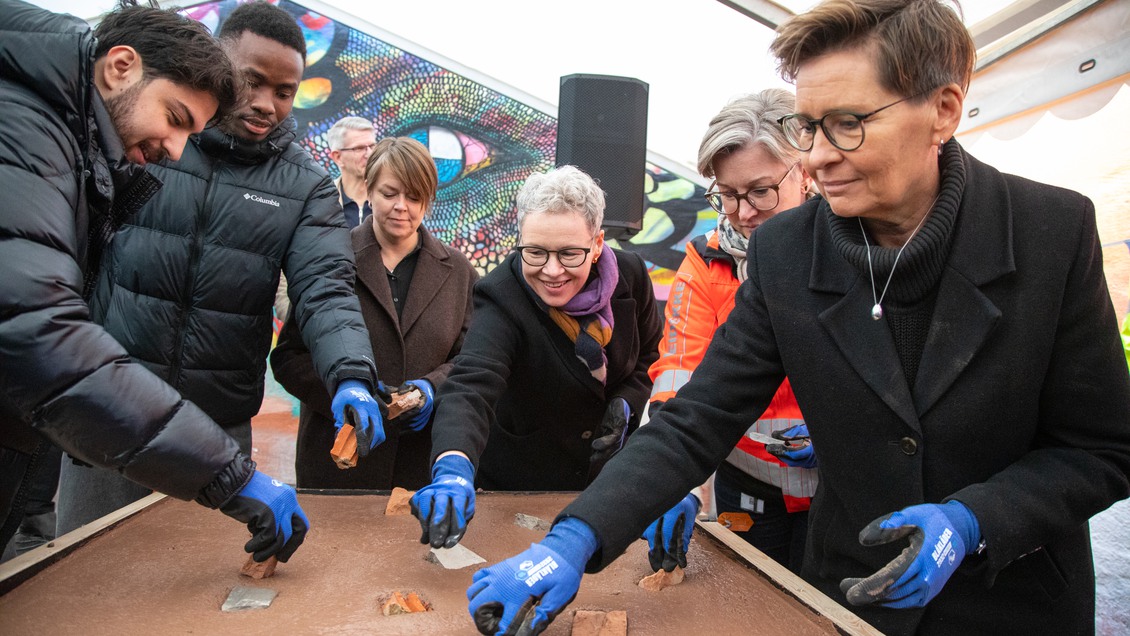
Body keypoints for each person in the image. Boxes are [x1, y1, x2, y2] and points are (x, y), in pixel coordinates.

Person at [462, 1, 1130, 634]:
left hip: (1013, 604)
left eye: (849, 122)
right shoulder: (786, 251)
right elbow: (698, 419)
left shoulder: (1052, 232)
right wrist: (574, 539)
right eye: (808, 127)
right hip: (847, 597)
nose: (816, 157)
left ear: (944, 110)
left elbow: (1101, 448)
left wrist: (975, 519)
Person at [57, 1, 383, 536]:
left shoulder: (305, 187)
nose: (265, 104)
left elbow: (326, 290)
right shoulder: (147, 141)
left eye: (284, 92)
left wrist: (350, 374)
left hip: (216, 431)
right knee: (81, 592)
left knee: (198, 603)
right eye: (251, 81)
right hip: (109, 409)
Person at [0, 0, 307, 566]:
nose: (174, 149)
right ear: (120, 66)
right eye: (174, 117)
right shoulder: (25, 133)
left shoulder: (67, 140)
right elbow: (43, 334)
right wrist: (228, 475)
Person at [410, 165, 662, 550]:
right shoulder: (501, 294)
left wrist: (626, 404)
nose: (552, 270)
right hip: (522, 484)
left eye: (569, 253)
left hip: (605, 483)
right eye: (536, 252)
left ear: (597, 244)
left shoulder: (632, 275)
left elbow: (647, 357)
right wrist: (453, 465)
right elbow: (471, 385)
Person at [643, 88, 816, 575]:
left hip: (842, 485)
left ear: (804, 172)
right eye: (728, 194)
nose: (743, 212)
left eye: (760, 191)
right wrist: (669, 479)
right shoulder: (706, 260)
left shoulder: (850, 248)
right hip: (749, 485)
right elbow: (678, 373)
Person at [272, 136, 478, 489]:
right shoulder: (333, 258)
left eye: (414, 197)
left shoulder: (459, 271)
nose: (402, 206)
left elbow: (471, 358)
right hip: (337, 465)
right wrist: (346, 392)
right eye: (389, 193)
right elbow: (290, 358)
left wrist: (432, 389)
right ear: (368, 189)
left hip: (419, 467)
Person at [327, 116, 378, 228]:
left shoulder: (389, 200)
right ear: (338, 157)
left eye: (372, 146)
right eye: (359, 148)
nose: (369, 154)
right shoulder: (324, 203)